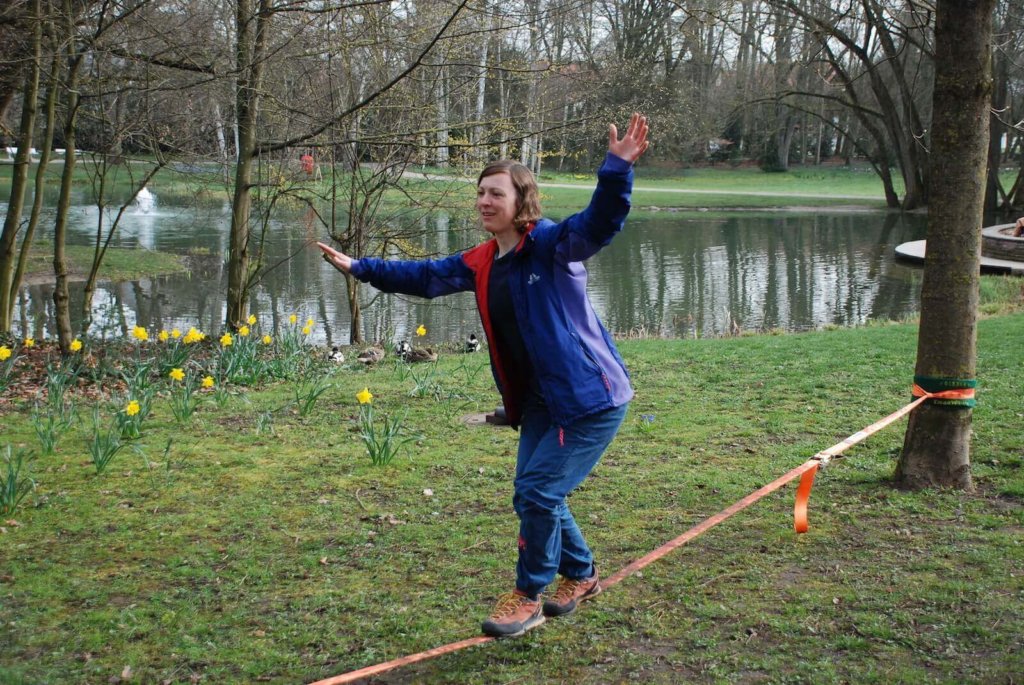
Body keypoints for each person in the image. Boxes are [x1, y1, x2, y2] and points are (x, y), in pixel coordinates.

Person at [318, 113, 650, 639]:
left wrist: (616, 169)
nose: (484, 202)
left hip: (590, 398)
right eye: (479, 193)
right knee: (534, 493)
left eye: (496, 193)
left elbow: (600, 222)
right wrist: (361, 268)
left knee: (539, 493)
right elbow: (424, 276)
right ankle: (581, 574)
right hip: (542, 404)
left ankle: (528, 595)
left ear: (522, 202)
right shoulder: (481, 260)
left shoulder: (553, 247)